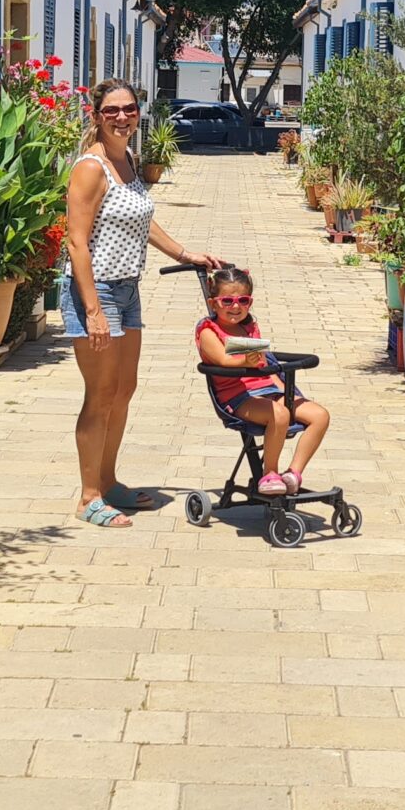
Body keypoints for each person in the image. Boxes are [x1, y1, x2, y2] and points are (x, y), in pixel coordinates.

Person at [64, 78, 219, 528]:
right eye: (111, 110)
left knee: (123, 390)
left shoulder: (127, 161)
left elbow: (140, 221)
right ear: (96, 116)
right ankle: (88, 496)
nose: (121, 117)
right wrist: (92, 310)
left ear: (137, 112)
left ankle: (109, 483)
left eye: (128, 109)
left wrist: (183, 253)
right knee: (99, 395)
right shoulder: (91, 167)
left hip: (128, 289)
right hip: (97, 291)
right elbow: (76, 242)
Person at [192, 265, 330, 495]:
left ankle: (292, 474)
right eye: (227, 301)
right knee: (280, 413)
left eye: (243, 301)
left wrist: (286, 390)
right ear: (213, 302)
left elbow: (265, 366)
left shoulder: (249, 327)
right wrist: (248, 360)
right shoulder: (209, 331)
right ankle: (269, 474)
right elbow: (223, 361)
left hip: (267, 388)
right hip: (237, 397)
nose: (235, 307)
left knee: (319, 415)